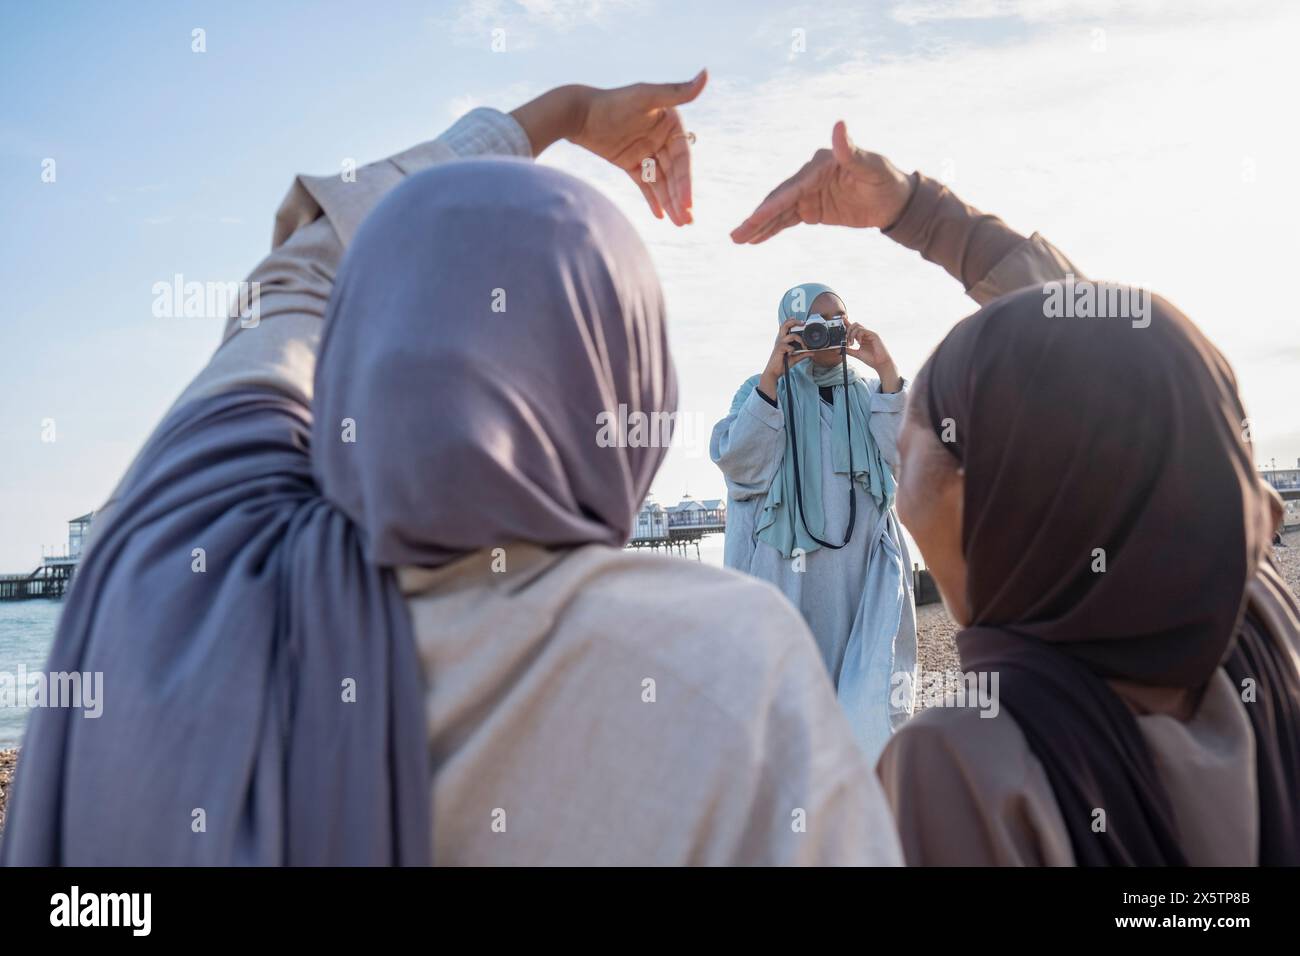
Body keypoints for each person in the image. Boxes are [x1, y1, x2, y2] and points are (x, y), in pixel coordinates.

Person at [1, 81, 903, 866]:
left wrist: (559, 115)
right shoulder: (729, 669)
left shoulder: (174, 559)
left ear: (367, 345)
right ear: (629, 395)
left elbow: (295, 280)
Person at [736, 121, 1300, 865]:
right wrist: (919, 210)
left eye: (910, 449)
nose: (894, 484)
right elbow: (1127, 375)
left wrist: (920, 214)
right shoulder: (1253, 621)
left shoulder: (968, 761)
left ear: (984, 504)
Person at [710, 284, 916, 761]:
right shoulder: (761, 390)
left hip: (863, 574)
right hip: (790, 577)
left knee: (869, 698)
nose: (829, 336)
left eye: (838, 324)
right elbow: (742, 467)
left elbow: (908, 462)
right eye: (815, 326)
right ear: (792, 330)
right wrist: (771, 376)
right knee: (790, 711)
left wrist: (886, 369)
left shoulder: (868, 392)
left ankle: (863, 804)